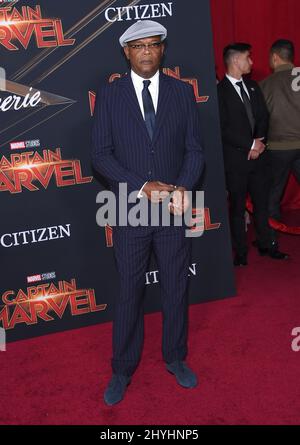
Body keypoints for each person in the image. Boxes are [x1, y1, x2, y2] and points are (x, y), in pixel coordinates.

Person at [91, 20, 204, 406]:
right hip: (129, 208)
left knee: (175, 286)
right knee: (128, 292)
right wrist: (142, 186)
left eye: (153, 45)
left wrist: (182, 188)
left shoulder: (182, 92)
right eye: (138, 46)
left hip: (174, 207)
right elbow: (101, 154)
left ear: (162, 49)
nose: (145, 52)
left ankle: (175, 357)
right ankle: (122, 368)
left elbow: (194, 150)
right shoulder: (109, 95)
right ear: (126, 52)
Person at [217, 43, 288, 266]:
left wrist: (259, 143)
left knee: (262, 205)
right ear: (236, 61)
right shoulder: (219, 92)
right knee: (237, 208)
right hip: (237, 162)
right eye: (248, 58)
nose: (252, 62)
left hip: (259, 160)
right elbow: (223, 128)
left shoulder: (254, 87)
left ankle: (268, 244)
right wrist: (250, 145)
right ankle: (240, 252)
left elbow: (264, 118)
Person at [260, 39, 300, 245]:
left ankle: (271, 240)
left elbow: (259, 120)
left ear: (275, 57)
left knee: (272, 195)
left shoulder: (266, 85)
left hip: (278, 148)